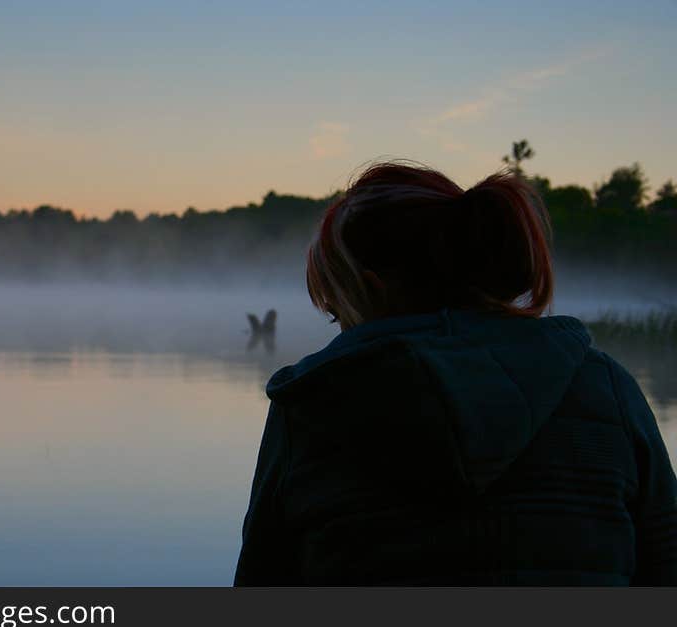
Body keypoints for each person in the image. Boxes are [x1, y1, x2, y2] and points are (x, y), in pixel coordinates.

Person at [234, 161, 677, 585]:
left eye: (337, 314)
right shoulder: (608, 389)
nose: (342, 329)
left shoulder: (311, 406)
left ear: (373, 289)